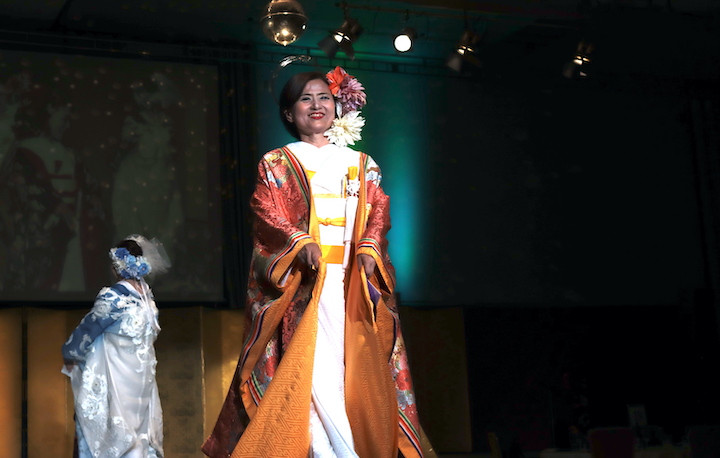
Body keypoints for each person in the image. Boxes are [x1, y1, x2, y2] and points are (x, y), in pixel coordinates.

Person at [202, 67, 435, 458]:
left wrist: (369, 247)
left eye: (324, 97)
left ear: (337, 106)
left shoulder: (361, 162)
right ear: (289, 113)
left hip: (351, 282)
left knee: (349, 369)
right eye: (305, 99)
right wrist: (300, 241)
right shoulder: (277, 161)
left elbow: (378, 210)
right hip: (306, 284)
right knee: (313, 369)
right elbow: (265, 210)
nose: (316, 105)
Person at [62, 235, 170, 458]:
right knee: (139, 427)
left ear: (116, 267)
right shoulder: (148, 299)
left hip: (117, 375)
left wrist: (71, 353)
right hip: (140, 376)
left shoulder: (114, 297)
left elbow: (89, 328)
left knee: (112, 425)